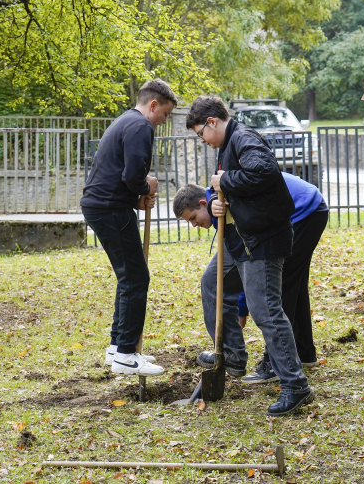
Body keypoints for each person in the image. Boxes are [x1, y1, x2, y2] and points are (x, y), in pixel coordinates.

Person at [184, 94, 314, 416]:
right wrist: (216, 200)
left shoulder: (243, 138)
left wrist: (224, 180)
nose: (203, 140)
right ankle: (231, 355)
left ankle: (295, 385)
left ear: (212, 122)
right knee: (212, 283)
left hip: (262, 241)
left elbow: (264, 172)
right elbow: (231, 193)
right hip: (239, 241)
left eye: (201, 133)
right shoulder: (227, 147)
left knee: (265, 310)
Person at [173, 171, 328, 385]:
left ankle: (274, 363)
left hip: (302, 212)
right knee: (294, 283)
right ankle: (303, 353)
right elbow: (244, 261)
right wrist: (241, 309)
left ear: (202, 203)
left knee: (282, 285)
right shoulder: (220, 206)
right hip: (309, 206)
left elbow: (252, 264)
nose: (194, 225)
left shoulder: (224, 202)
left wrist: (242, 309)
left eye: (192, 218)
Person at [80, 78, 177, 377]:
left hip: (103, 206)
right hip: (110, 209)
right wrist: (145, 187)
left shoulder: (125, 120)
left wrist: (136, 200)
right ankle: (125, 354)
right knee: (136, 278)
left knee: (128, 278)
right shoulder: (140, 126)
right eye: (164, 114)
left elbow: (116, 175)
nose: (163, 121)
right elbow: (132, 174)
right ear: (152, 105)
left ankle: (116, 348)